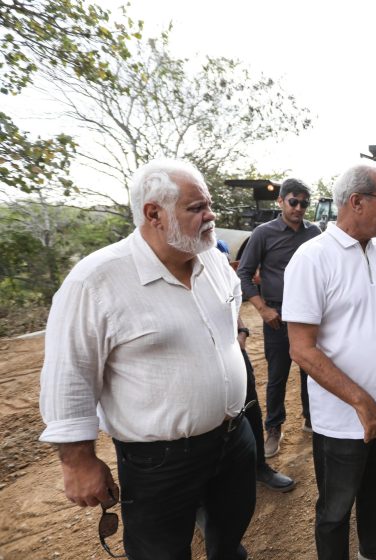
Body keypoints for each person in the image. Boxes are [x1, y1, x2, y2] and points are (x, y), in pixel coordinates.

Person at [39, 159, 256, 559]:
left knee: (230, 538)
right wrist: (78, 462)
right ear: (153, 214)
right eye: (197, 208)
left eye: (208, 205)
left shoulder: (211, 259)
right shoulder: (96, 280)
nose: (212, 216)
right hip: (161, 461)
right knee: (162, 552)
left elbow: (229, 317)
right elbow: (69, 375)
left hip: (233, 437)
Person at [283, 163, 376, 560]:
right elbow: (302, 349)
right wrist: (362, 403)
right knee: (336, 507)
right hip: (345, 418)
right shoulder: (312, 259)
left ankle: (374, 546)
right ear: (357, 202)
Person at [236, 178, 321, 457]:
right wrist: (263, 309)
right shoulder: (263, 233)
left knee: (312, 370)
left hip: (309, 314)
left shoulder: (315, 233)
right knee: (277, 375)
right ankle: (273, 427)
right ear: (281, 201)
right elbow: (244, 275)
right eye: (293, 202)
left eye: (304, 203)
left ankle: (313, 419)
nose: (299, 208)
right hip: (278, 315)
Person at [216, 239, 295, 491]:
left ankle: (259, 466)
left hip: (234, 353)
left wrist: (241, 332)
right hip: (204, 362)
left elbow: (231, 302)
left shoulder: (215, 261)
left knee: (249, 406)